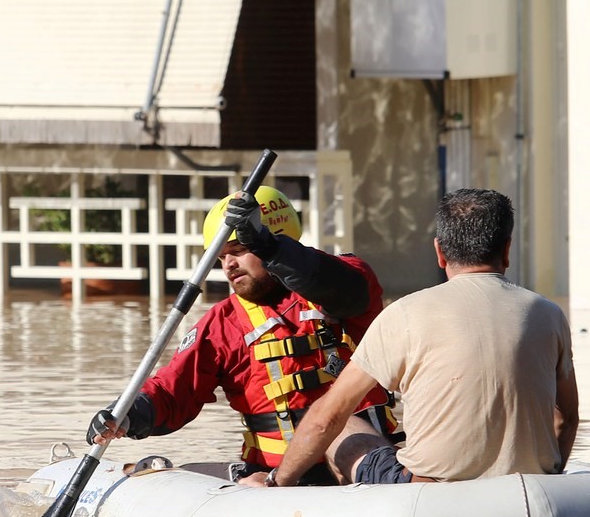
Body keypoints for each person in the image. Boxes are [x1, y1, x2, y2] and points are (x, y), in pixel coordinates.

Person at [260, 188, 578, 488]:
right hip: (529, 483)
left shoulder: (405, 313)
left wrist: (276, 483)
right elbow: (566, 419)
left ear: (439, 252)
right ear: (507, 250)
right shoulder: (549, 313)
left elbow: (326, 419)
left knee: (344, 426)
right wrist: (552, 477)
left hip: (425, 491)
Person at [90, 186, 394, 484]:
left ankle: (391, 485)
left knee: (347, 437)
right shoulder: (222, 324)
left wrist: (268, 247)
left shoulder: (347, 278)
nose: (229, 265)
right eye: (221, 257)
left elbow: (346, 291)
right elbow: (174, 391)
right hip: (271, 477)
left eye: (239, 250)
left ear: (274, 239)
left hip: (359, 461)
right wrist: (129, 413)